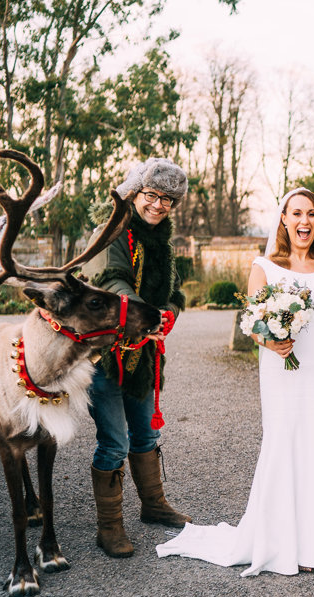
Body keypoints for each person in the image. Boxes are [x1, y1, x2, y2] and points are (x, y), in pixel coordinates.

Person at [156, 188, 314, 576]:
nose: (304, 222)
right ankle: (280, 540)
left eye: (312, 215)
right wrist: (274, 342)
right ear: (284, 220)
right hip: (280, 367)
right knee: (284, 442)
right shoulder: (264, 267)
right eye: (296, 214)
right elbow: (253, 326)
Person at [86, 157, 191, 558]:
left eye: (167, 200)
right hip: (106, 355)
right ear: (136, 193)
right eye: (152, 195)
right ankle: (109, 527)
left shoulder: (161, 243)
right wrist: (145, 315)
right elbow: (110, 282)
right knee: (113, 442)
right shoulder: (113, 231)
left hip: (144, 356)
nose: (158, 205)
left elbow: (175, 295)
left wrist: (168, 315)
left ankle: (153, 505)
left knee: (146, 436)